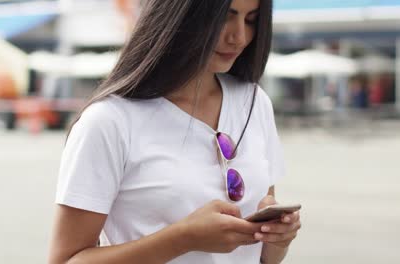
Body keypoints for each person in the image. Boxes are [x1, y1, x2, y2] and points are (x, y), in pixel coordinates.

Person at [48, 0, 301, 263]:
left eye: (251, 20)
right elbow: (66, 259)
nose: (239, 37)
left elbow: (264, 258)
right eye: (226, 17)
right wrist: (182, 239)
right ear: (180, 14)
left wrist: (278, 238)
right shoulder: (109, 121)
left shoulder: (254, 102)